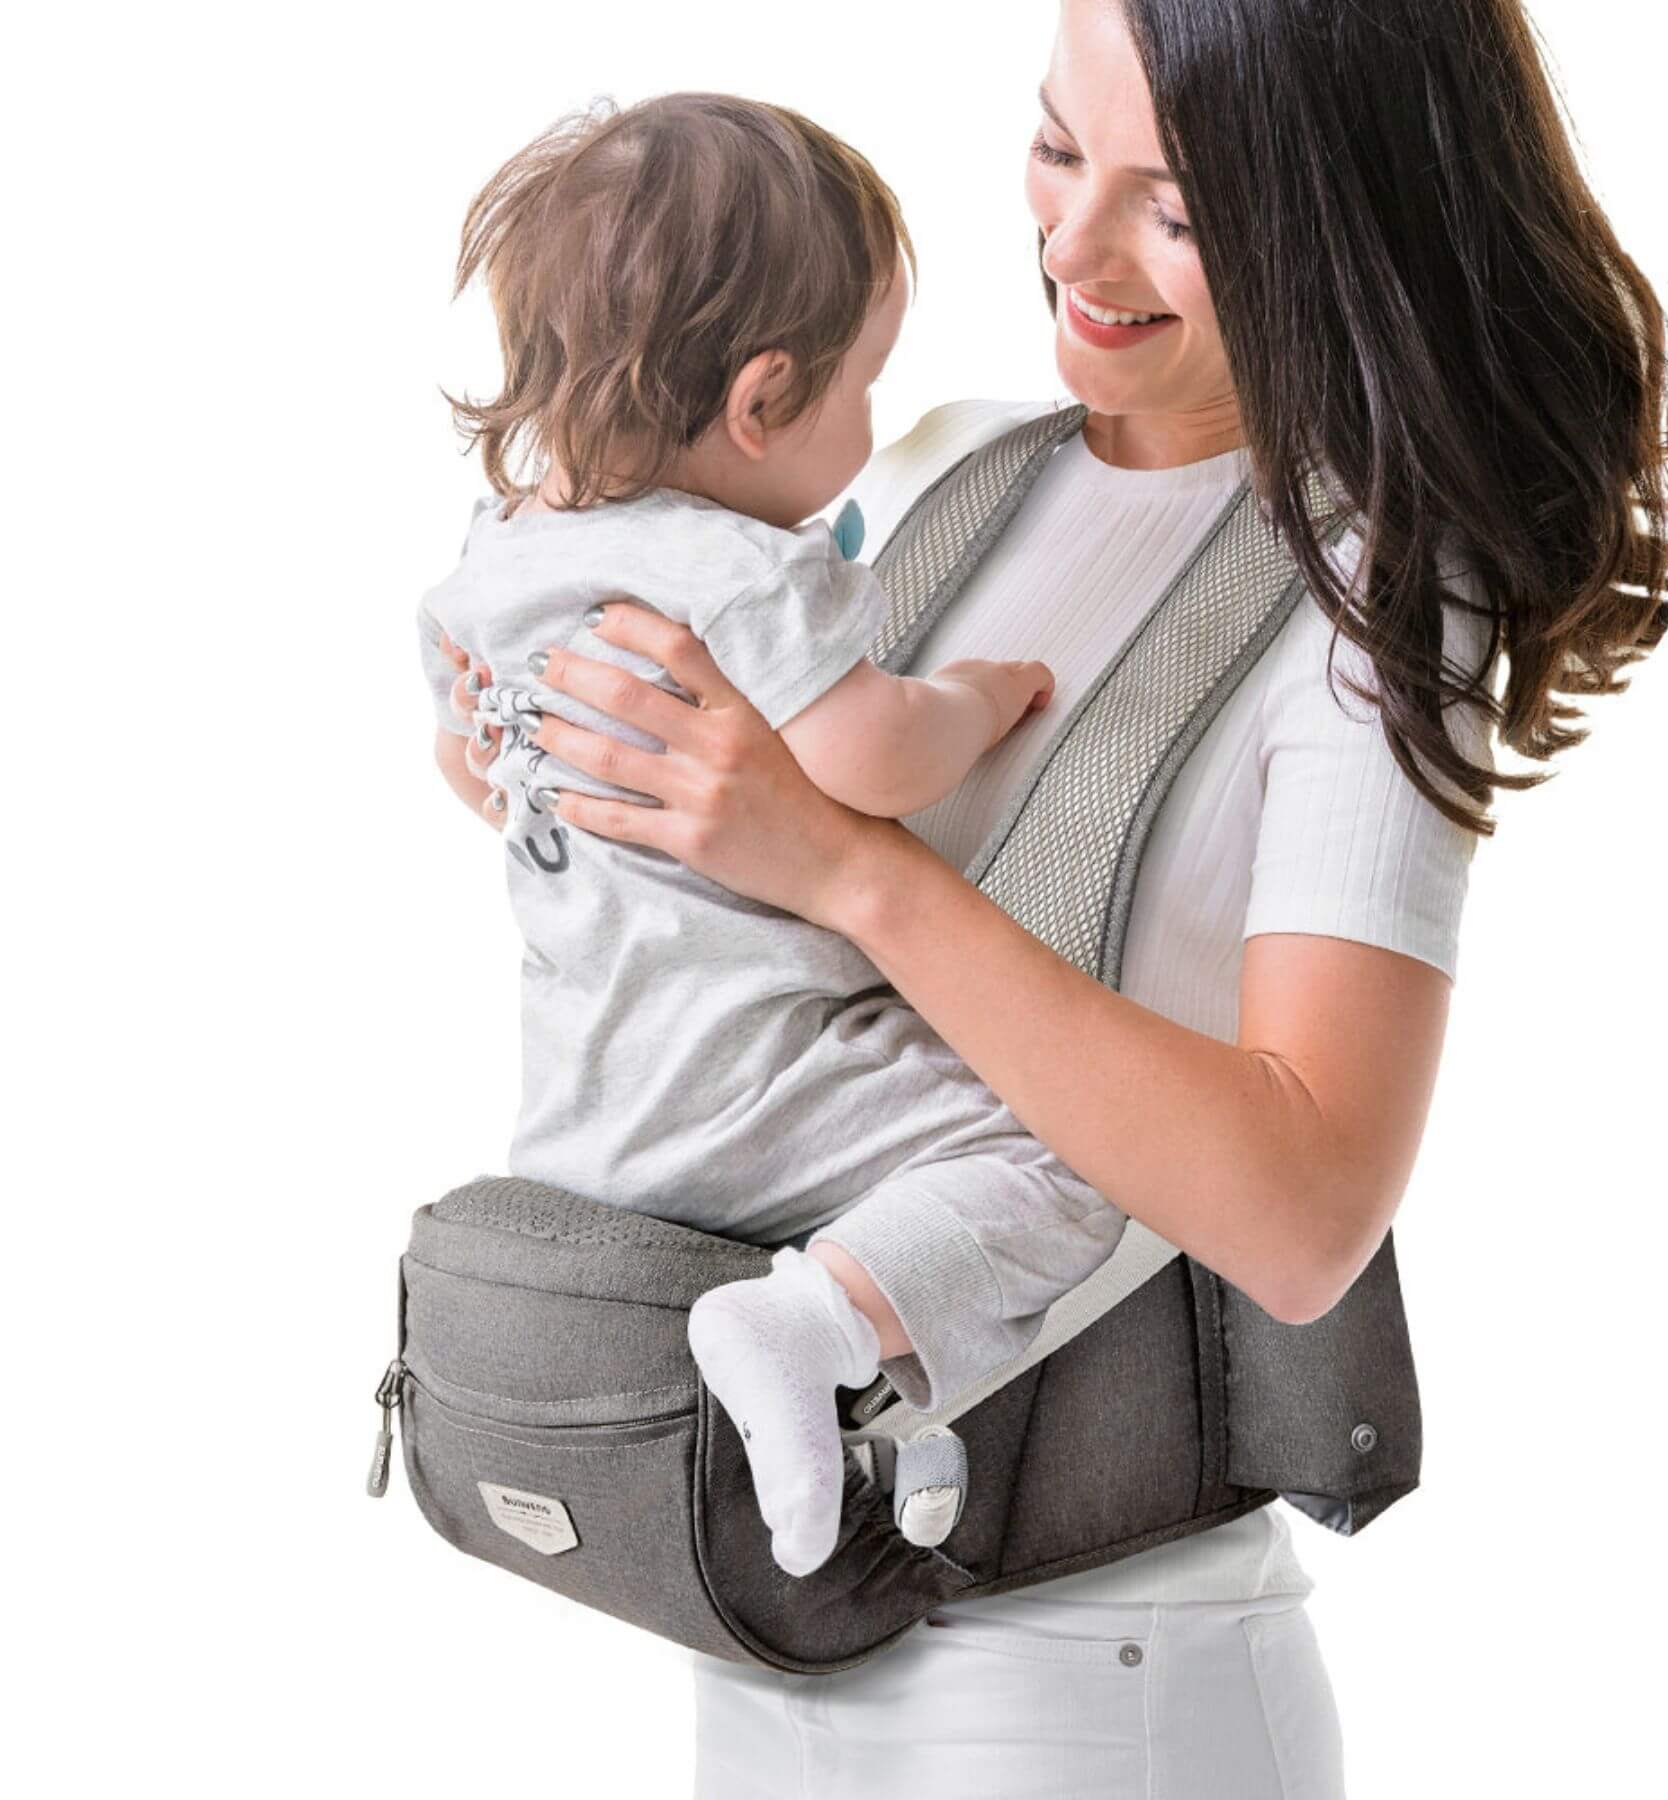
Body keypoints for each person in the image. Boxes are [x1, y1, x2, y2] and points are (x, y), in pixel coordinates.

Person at [436, 2, 1668, 1792]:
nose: (1072, 251)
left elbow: (1305, 1204)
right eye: (1053, 150)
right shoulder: (932, 465)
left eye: (1174, 211)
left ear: (1328, 215)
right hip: (762, 1609)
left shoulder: (1375, 603)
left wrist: (848, 869)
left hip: (1088, 1677)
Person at [420, 92, 1143, 1582]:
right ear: (760, 403)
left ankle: (842, 1384)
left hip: (588, 1110)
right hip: (765, 1081)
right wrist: (977, 694)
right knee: (1080, 1158)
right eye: (864, 385)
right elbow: (867, 760)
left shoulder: (503, 559)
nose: (879, 422)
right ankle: (811, 1323)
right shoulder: (737, 569)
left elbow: (470, 758)